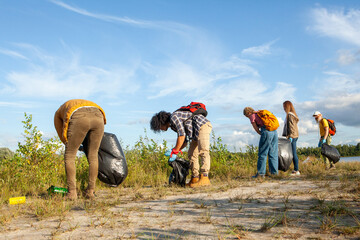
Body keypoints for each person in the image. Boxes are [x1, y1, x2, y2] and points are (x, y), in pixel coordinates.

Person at [54, 99, 106, 200]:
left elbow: (62, 134)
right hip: (99, 115)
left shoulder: (58, 113)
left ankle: (72, 193)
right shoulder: (76, 103)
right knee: (93, 155)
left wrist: (70, 145)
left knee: (69, 156)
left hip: (79, 116)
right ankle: (90, 191)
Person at [150, 109, 212, 187]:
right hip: (195, 131)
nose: (160, 130)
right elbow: (184, 142)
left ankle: (205, 177)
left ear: (161, 122)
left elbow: (181, 136)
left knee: (203, 150)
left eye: (159, 127)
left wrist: (175, 151)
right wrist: (174, 150)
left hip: (202, 125)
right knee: (191, 154)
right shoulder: (172, 126)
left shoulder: (174, 117)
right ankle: (194, 178)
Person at [243, 107, 278, 178]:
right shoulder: (259, 113)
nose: (248, 117)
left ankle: (261, 174)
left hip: (266, 131)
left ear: (248, 113)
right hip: (274, 131)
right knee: (273, 153)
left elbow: (256, 129)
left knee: (262, 153)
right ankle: (274, 174)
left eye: (247, 116)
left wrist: (262, 133)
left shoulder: (252, 116)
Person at [282, 101, 300, 176]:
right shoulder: (293, 115)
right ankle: (295, 169)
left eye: (284, 107)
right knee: (293, 153)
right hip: (294, 135)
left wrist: (291, 137)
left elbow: (292, 127)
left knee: (293, 153)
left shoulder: (290, 115)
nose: (283, 108)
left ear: (287, 106)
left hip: (293, 136)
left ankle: (296, 170)